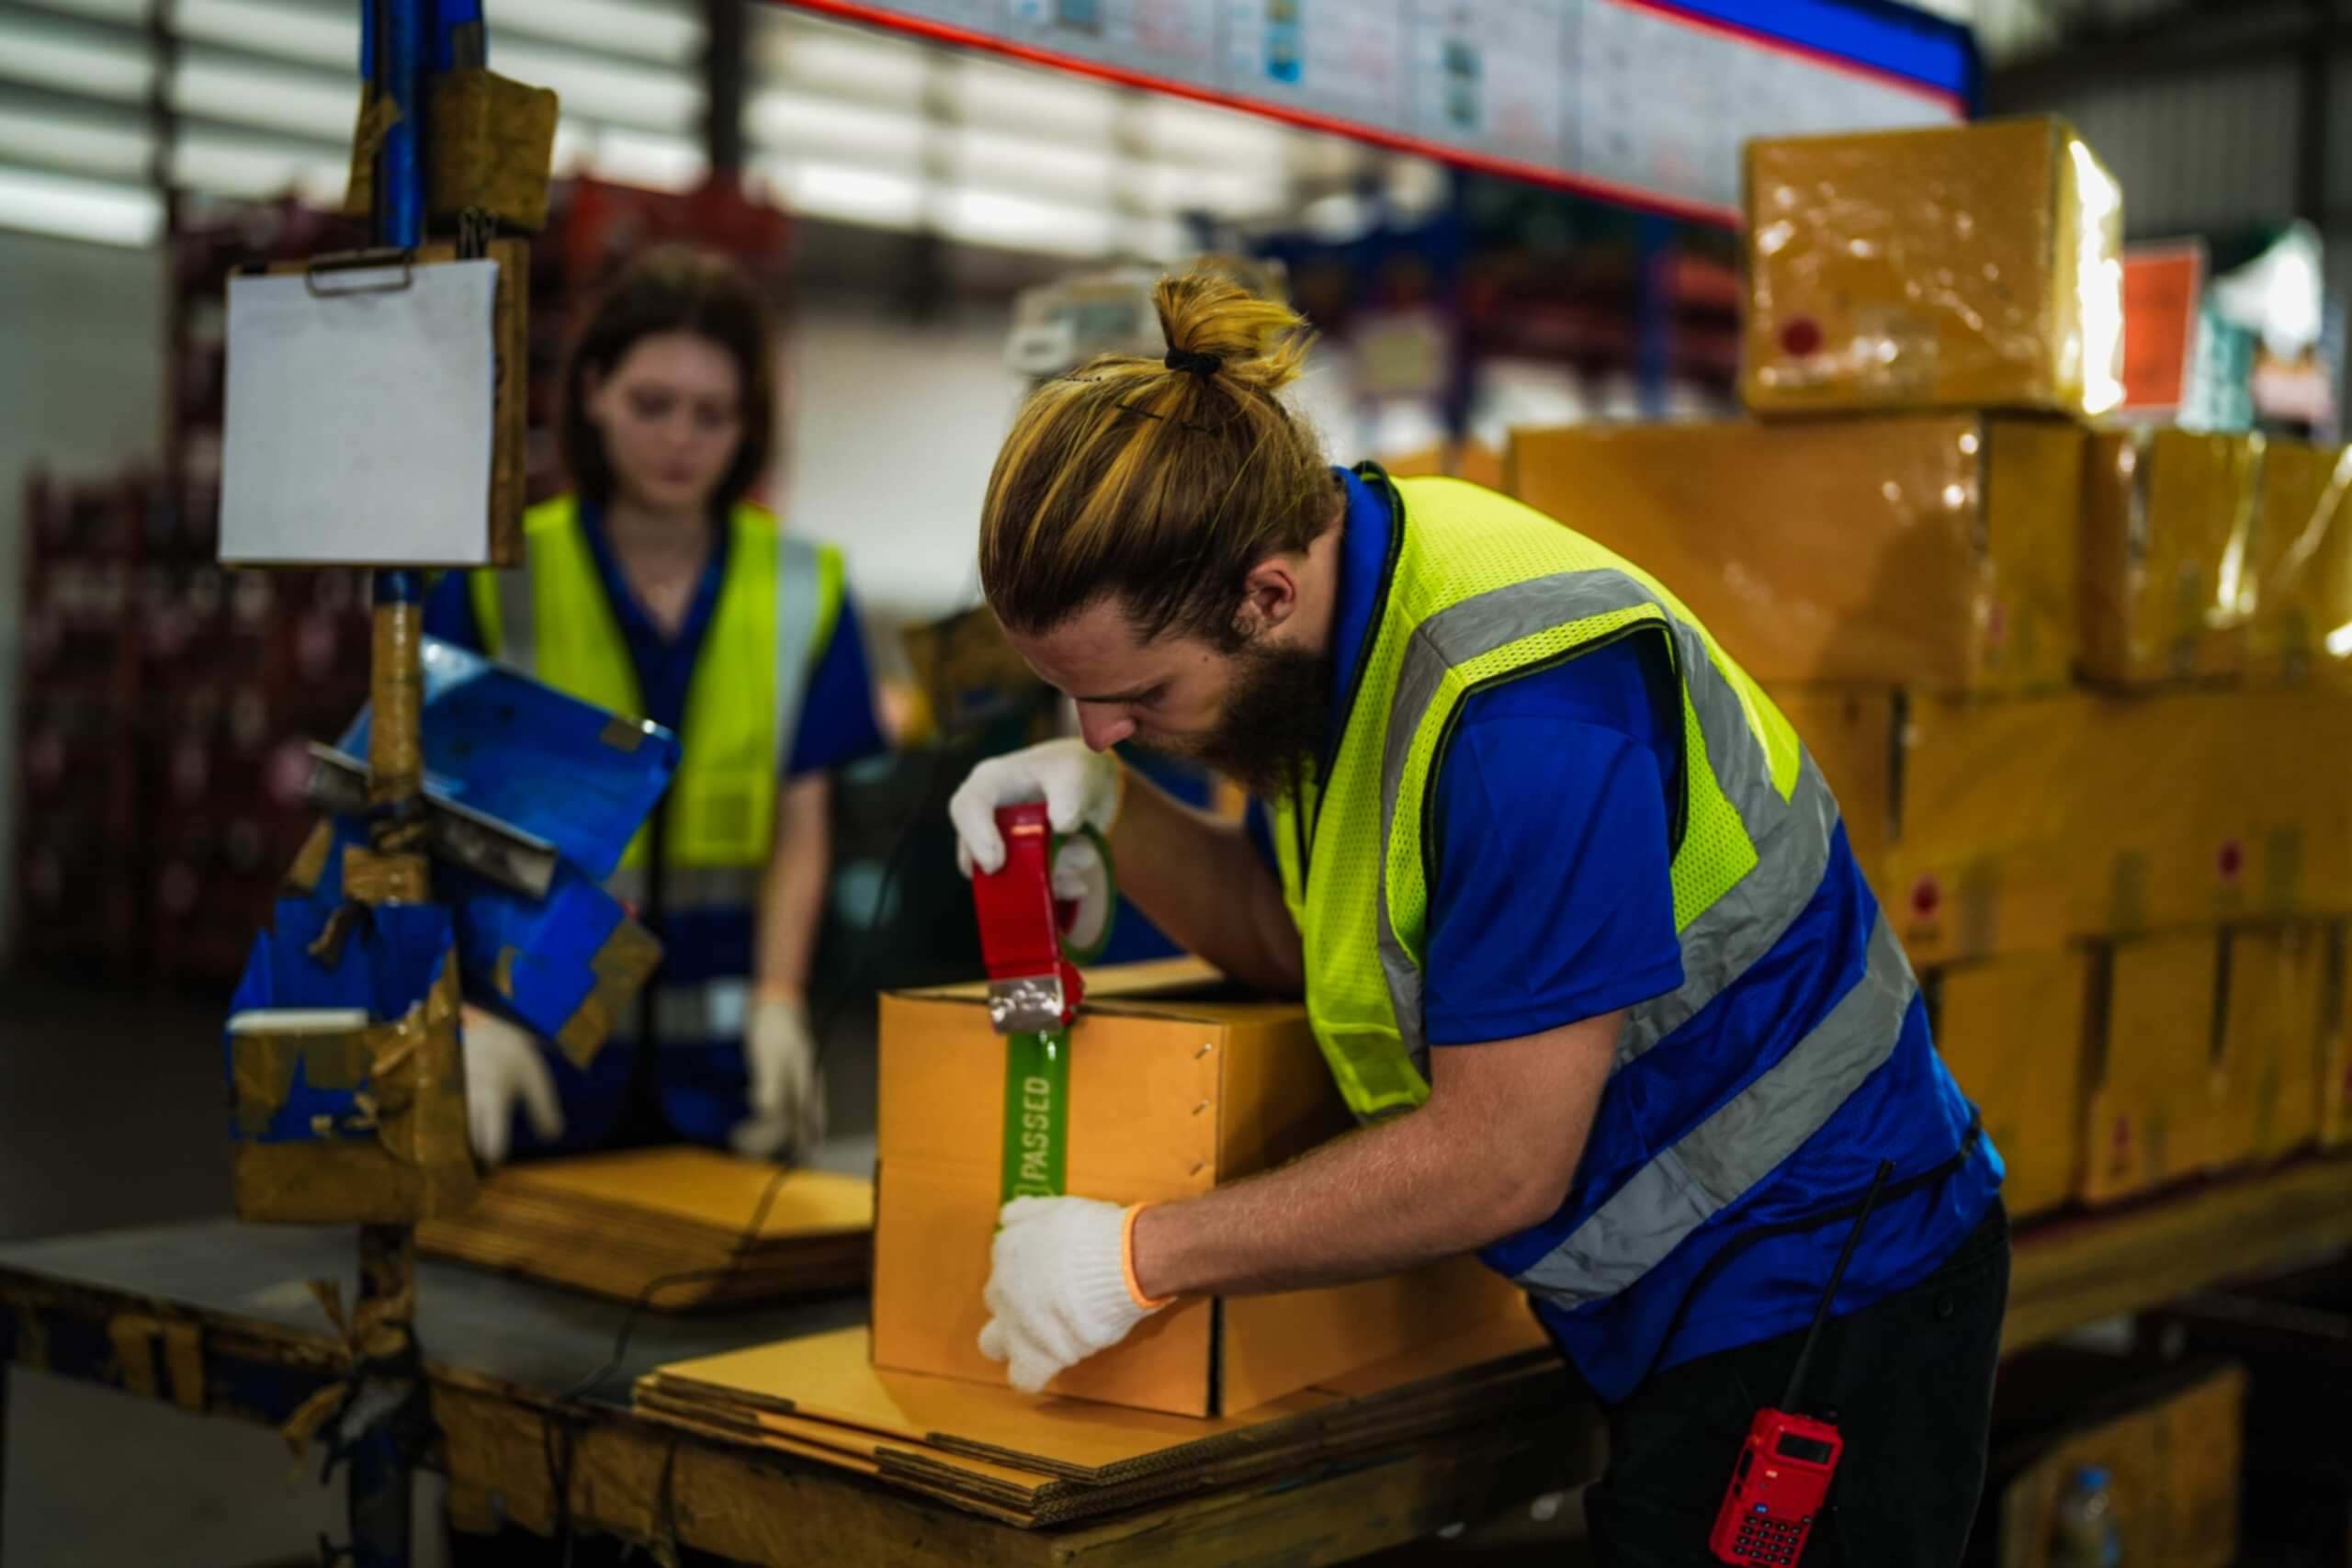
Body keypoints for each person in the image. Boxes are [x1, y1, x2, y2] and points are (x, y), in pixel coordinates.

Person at [945, 269, 2008, 1565]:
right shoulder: (1349, 606)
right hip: (1675, 1283)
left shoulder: (1521, 721)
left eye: (1135, 695)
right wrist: (1118, 809)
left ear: (1265, 594)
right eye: (1070, 698)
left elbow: (1501, 1153)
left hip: (1827, 1279)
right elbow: (1310, 945)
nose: (1100, 727)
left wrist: (1136, 1255)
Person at [425, 247, 885, 1167]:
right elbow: (436, 823)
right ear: (593, 392)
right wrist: (468, 1012)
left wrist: (781, 1003)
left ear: (749, 422)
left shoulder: (806, 587)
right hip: (531, 1053)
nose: (680, 438)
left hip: (724, 1063)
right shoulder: (492, 581)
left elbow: (804, 822)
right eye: (651, 404)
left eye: (711, 414)